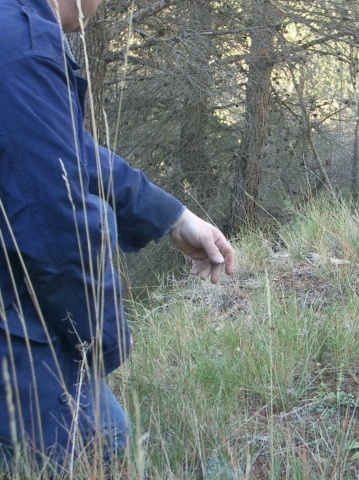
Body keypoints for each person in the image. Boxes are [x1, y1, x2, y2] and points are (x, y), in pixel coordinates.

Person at [0, 0, 235, 472]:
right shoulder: (21, 48)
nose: (102, 8)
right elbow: (55, 225)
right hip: (15, 322)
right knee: (98, 442)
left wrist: (172, 215)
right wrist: (102, 341)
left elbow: (70, 151)